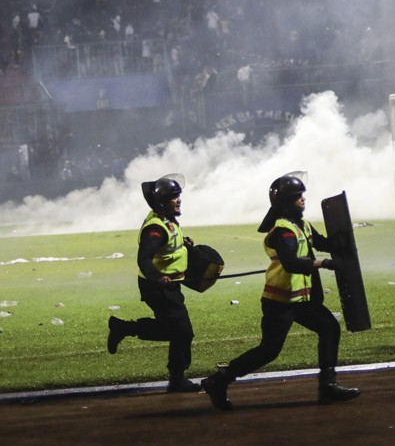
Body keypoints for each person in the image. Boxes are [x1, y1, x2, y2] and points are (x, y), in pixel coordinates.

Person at [201, 173, 360, 410]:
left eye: (302, 195)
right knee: (268, 351)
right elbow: (291, 263)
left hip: (302, 300)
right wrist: (324, 264)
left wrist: (342, 239)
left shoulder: (301, 224)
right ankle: (218, 381)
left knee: (329, 329)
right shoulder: (283, 231)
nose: (302, 199)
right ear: (286, 202)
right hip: (281, 302)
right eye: (297, 197)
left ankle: (328, 386)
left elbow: (321, 243)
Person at [107, 174, 201, 393]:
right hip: (158, 288)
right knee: (183, 332)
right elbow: (144, 259)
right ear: (162, 202)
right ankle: (177, 379)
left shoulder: (167, 220)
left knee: (174, 330)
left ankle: (123, 328)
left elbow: (168, 247)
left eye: (179, 196)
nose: (178, 200)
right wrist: (158, 277)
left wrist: (185, 244)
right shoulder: (155, 228)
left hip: (168, 286)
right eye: (173, 197)